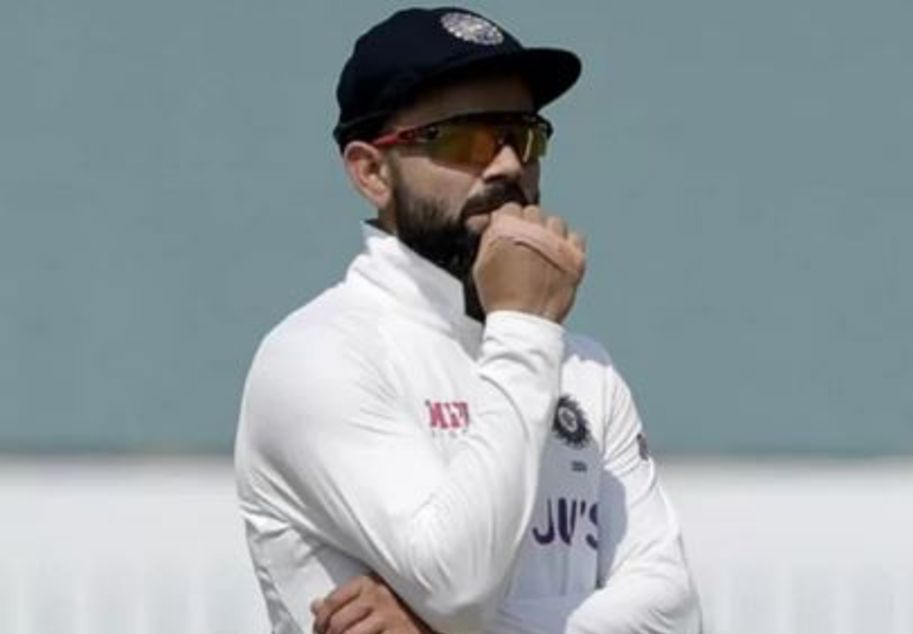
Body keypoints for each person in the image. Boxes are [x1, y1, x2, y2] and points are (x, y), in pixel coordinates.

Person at [235, 7, 702, 634]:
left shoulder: (585, 366)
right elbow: (457, 587)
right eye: (466, 140)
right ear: (371, 171)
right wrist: (525, 325)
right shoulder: (319, 354)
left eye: (523, 136)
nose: (508, 166)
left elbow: (674, 614)